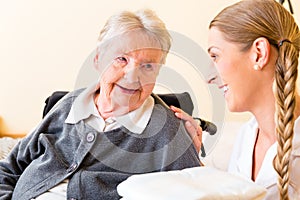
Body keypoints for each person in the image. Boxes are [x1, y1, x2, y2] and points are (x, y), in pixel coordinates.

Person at [0, 9, 201, 200]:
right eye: (122, 59)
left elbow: (200, 192)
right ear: (97, 60)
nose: (132, 76)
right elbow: (9, 169)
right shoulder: (68, 106)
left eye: (147, 66)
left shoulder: (168, 132)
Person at [174, 0, 300, 199]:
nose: (208, 77)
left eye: (215, 56)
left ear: (259, 54)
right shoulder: (247, 136)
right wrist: (193, 157)